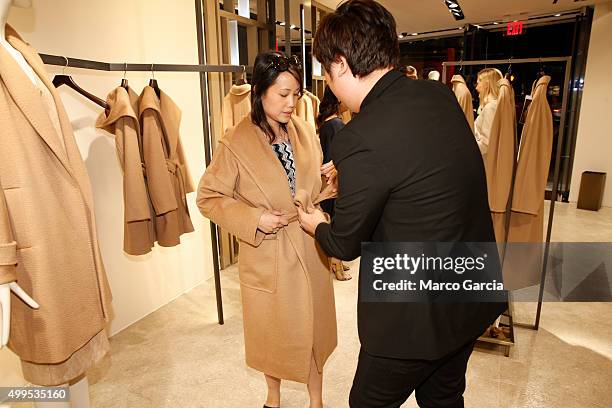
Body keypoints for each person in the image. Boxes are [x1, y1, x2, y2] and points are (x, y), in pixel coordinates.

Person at [298, 1, 506, 407]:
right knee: (443, 396)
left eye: (326, 70)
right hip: (469, 291)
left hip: (412, 313)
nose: (327, 82)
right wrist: (358, 182)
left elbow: (344, 243)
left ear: (340, 64)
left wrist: (314, 222)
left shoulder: (358, 136)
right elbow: (423, 177)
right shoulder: (437, 96)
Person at [196, 51, 337, 408]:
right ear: (259, 91)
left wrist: (327, 186)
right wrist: (254, 219)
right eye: (282, 94)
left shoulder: (304, 131)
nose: (292, 103)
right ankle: (272, 397)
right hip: (268, 253)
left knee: (314, 332)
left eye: (296, 94)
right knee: (273, 333)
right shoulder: (235, 142)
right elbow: (208, 197)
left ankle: (316, 400)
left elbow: (303, 187)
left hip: (308, 244)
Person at [316, 87, 351, 281]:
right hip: (334, 179)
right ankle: (336, 266)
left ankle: (336, 262)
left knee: (334, 221)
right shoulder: (336, 124)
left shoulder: (328, 123)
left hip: (327, 178)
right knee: (337, 223)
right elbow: (336, 157)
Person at [474, 68, 503, 157]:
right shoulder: (493, 106)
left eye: (478, 82)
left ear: (487, 84)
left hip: (485, 162)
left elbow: (487, 143)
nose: (476, 87)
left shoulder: (491, 108)